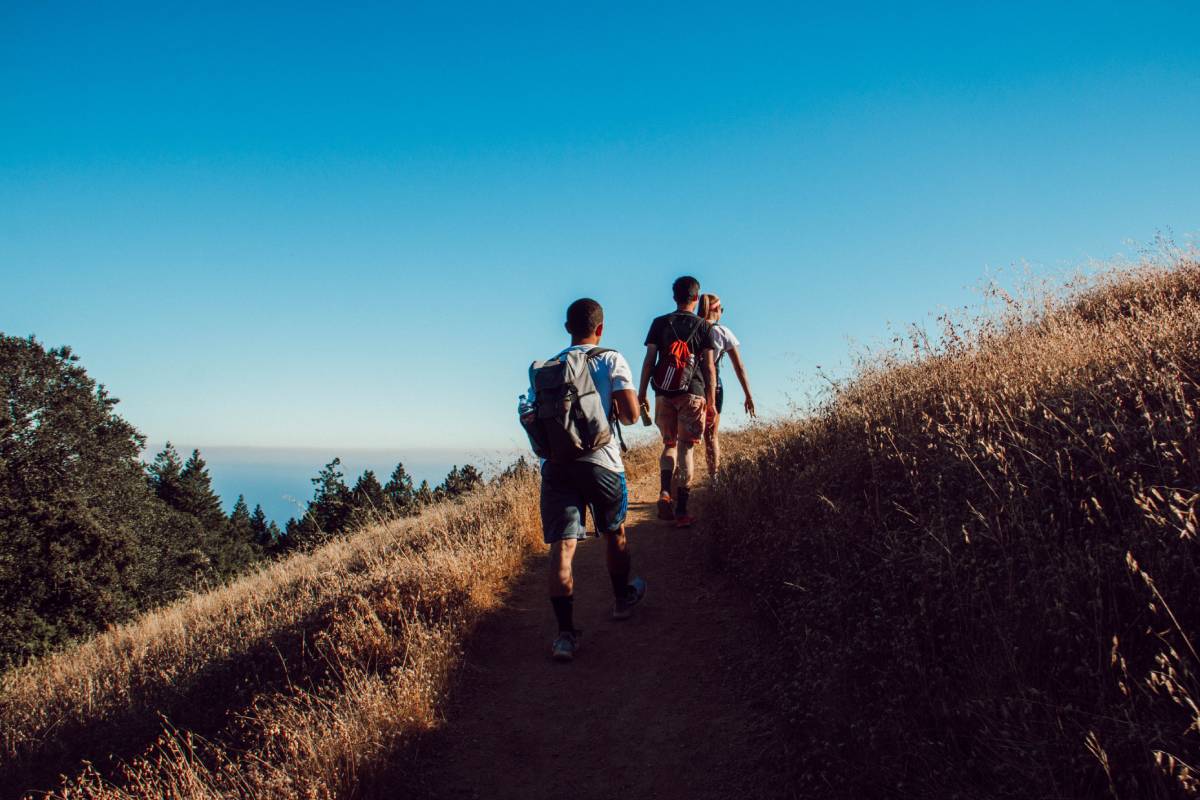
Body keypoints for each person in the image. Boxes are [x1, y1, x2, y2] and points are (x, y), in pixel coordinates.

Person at [529, 298, 646, 662]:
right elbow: (629, 416)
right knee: (614, 532)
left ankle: (565, 636)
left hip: (558, 466)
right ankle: (621, 600)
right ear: (601, 327)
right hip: (602, 463)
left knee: (563, 549)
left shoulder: (547, 369)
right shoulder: (611, 359)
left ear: (567, 328)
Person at [637, 276, 717, 528]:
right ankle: (682, 511)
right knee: (686, 449)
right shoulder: (704, 327)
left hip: (663, 392)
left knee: (669, 444)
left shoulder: (659, 323)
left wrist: (641, 394)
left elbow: (649, 360)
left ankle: (664, 492)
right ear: (696, 298)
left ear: (674, 297)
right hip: (693, 392)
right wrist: (712, 401)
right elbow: (709, 368)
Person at [697, 293, 756, 478]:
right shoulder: (722, 332)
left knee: (685, 439)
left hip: (691, 386)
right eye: (721, 309)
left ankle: (681, 483)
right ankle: (714, 478)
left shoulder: (693, 327)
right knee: (711, 436)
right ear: (715, 309)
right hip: (714, 386)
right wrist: (748, 395)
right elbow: (739, 366)